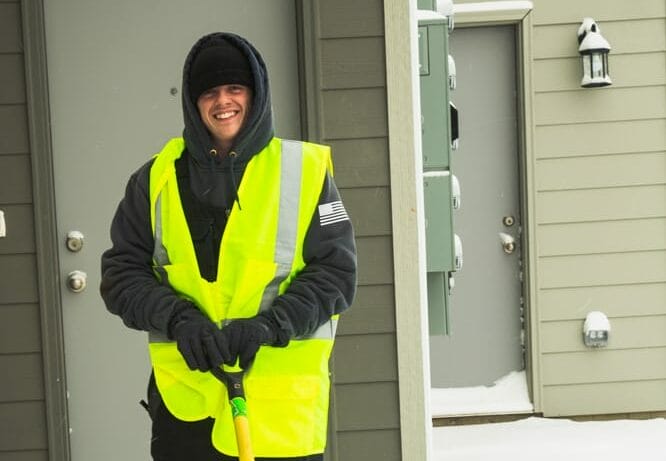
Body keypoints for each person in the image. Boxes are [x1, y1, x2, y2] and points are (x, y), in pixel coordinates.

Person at [100, 31, 357, 461]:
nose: (223, 102)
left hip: (278, 411)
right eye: (210, 92)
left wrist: (270, 327)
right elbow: (122, 274)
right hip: (187, 407)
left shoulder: (305, 173)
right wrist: (180, 320)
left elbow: (336, 272)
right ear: (192, 101)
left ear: (255, 96)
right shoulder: (155, 181)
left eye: (235, 88)